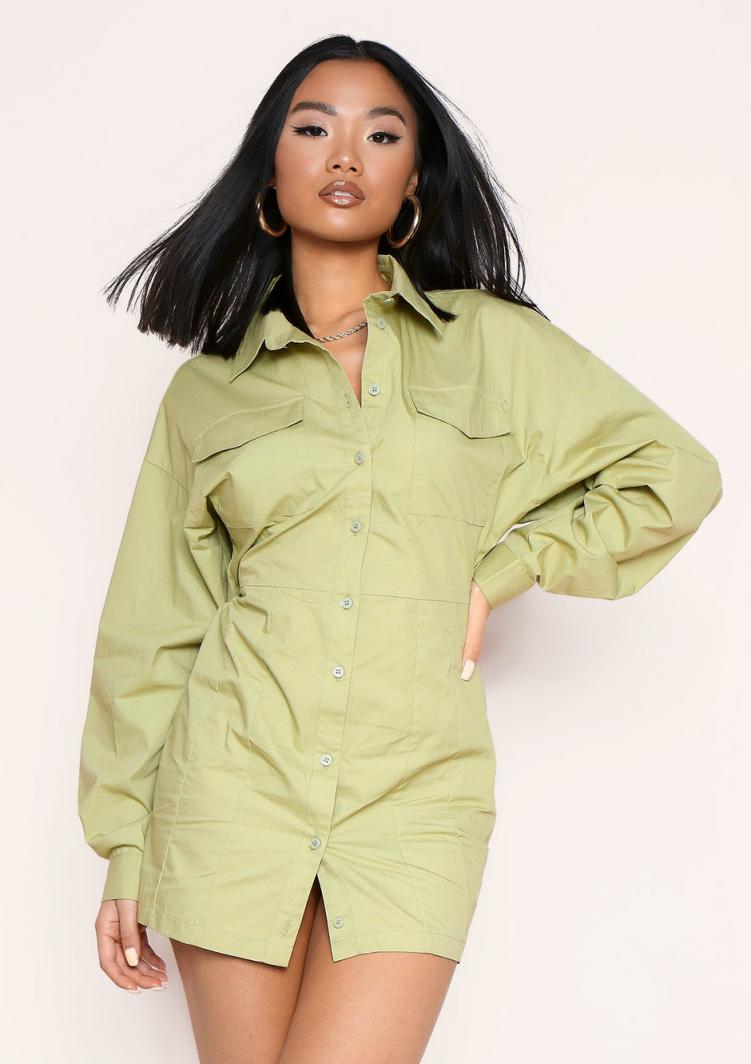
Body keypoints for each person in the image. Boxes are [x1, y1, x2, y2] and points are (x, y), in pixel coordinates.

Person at [76, 34, 723, 1064]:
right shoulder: (208, 393)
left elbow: (673, 472)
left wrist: (500, 573)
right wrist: (123, 842)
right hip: (229, 798)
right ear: (268, 175)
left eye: (381, 135)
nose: (345, 155)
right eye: (313, 128)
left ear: (413, 182)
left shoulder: (490, 346)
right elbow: (154, 627)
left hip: (413, 801)